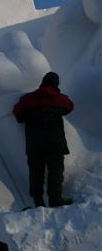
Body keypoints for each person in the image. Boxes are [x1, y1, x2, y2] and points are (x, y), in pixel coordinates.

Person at [13, 71, 75, 207]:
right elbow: (70, 106)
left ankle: (38, 202)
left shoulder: (28, 99)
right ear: (56, 84)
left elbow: (17, 114)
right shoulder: (59, 98)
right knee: (55, 171)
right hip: (55, 144)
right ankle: (55, 199)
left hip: (34, 144)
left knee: (35, 173)